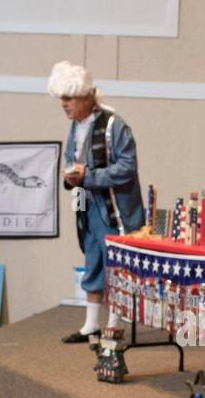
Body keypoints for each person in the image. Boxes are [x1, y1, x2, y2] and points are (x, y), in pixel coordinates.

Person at [47, 61, 145, 343]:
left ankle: (113, 325)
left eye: (68, 99)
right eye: (62, 99)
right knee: (93, 261)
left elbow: (128, 167)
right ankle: (91, 325)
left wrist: (88, 175)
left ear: (85, 97)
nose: (64, 105)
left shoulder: (115, 126)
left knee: (117, 267)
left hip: (115, 211)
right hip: (88, 207)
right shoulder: (76, 127)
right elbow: (70, 159)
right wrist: (71, 176)